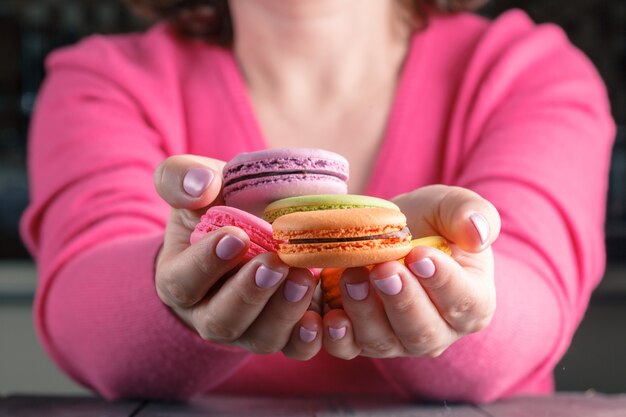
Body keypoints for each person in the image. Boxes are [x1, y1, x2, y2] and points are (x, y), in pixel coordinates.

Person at [20, 0, 614, 403]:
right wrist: (174, 290)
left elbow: (537, 298)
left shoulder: (528, 71)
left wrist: (459, 295)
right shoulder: (102, 79)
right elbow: (82, 311)